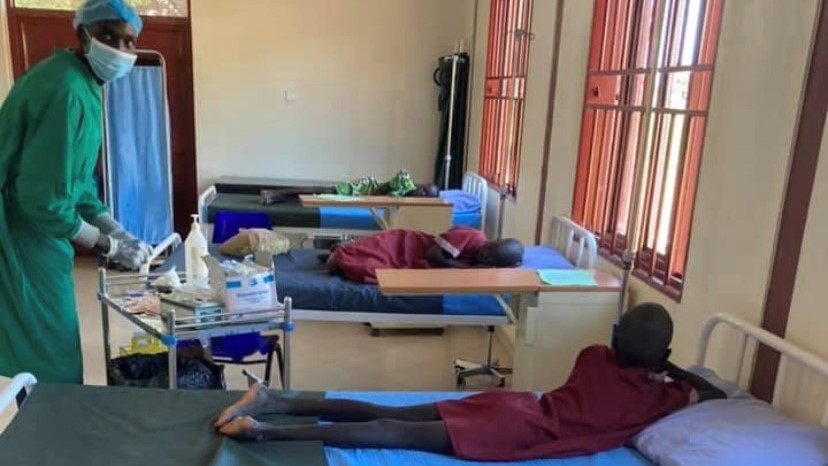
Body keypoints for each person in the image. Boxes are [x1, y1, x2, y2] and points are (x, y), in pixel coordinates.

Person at [215, 303, 726, 461]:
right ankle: (263, 429)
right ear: (662, 353)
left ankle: (276, 397)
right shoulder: (660, 396)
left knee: (385, 412)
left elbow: (611, 354)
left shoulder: (593, 357)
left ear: (616, 339)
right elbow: (714, 393)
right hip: (513, 433)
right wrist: (670, 365)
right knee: (385, 431)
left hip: (510, 404)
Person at [0, 0, 153, 384]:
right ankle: (52, 428)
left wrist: (115, 228)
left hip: (37, 230)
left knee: (48, 337)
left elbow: (77, 182)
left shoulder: (79, 83)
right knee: (49, 346)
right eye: (108, 37)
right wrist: (106, 245)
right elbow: (44, 201)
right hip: (20, 232)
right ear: (83, 36)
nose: (121, 49)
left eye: (129, 41)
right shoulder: (66, 91)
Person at [325, 226, 524, 284]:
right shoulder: (473, 236)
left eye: (491, 260)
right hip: (404, 245)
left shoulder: (485, 262)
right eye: (488, 251)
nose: (485, 257)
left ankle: (345, 250)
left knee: (372, 271)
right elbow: (434, 255)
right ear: (493, 240)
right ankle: (343, 249)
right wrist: (471, 269)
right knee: (338, 264)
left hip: (407, 263)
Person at [259, 170, 440, 205]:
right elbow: (380, 191)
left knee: (319, 196)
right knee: (324, 191)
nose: (421, 192)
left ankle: (275, 196)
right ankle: (274, 193)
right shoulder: (404, 180)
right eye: (423, 188)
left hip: (365, 197)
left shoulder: (413, 202)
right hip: (364, 189)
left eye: (426, 195)